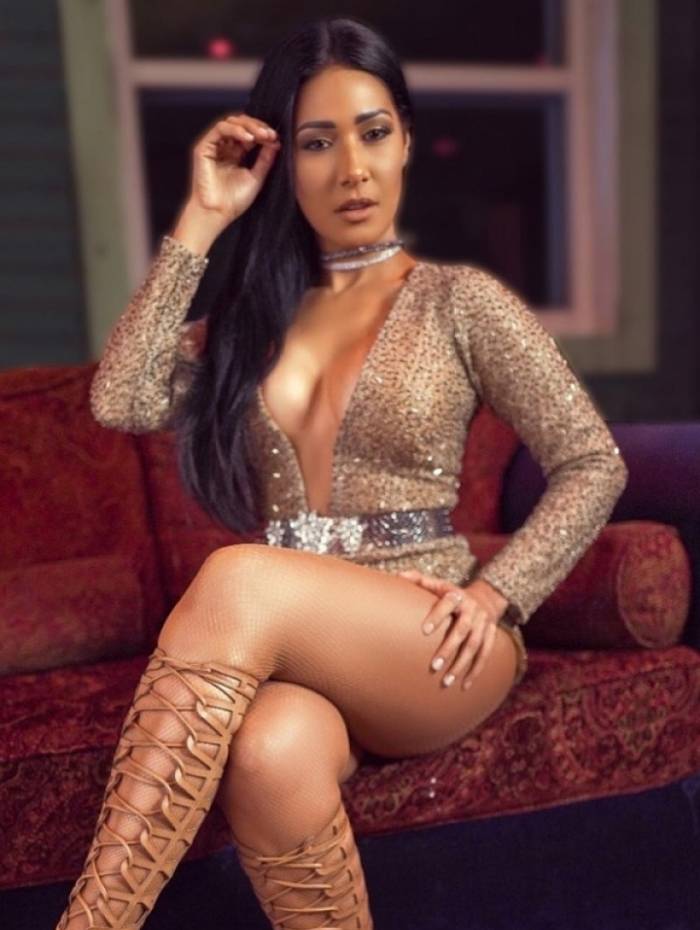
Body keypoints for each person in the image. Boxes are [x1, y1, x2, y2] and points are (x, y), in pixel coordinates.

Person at [55, 14, 628, 930]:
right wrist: (202, 220)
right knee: (268, 753)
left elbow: (593, 461)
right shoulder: (251, 320)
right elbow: (119, 399)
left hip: (432, 639)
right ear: (281, 163)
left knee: (239, 576)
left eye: (372, 132)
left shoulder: (460, 302)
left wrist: (497, 593)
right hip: (302, 654)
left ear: (405, 140)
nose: (352, 169)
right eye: (318, 142)